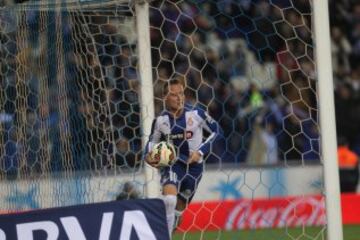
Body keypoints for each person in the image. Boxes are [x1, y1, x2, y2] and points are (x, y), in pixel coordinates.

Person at [144, 78, 222, 236]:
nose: (179, 98)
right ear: (165, 97)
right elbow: (151, 143)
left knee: (179, 208)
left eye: (181, 93)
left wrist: (200, 152)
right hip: (173, 164)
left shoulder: (197, 113)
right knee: (169, 201)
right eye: (174, 95)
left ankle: (171, 228)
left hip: (195, 168)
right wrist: (149, 155)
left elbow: (217, 131)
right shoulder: (160, 121)